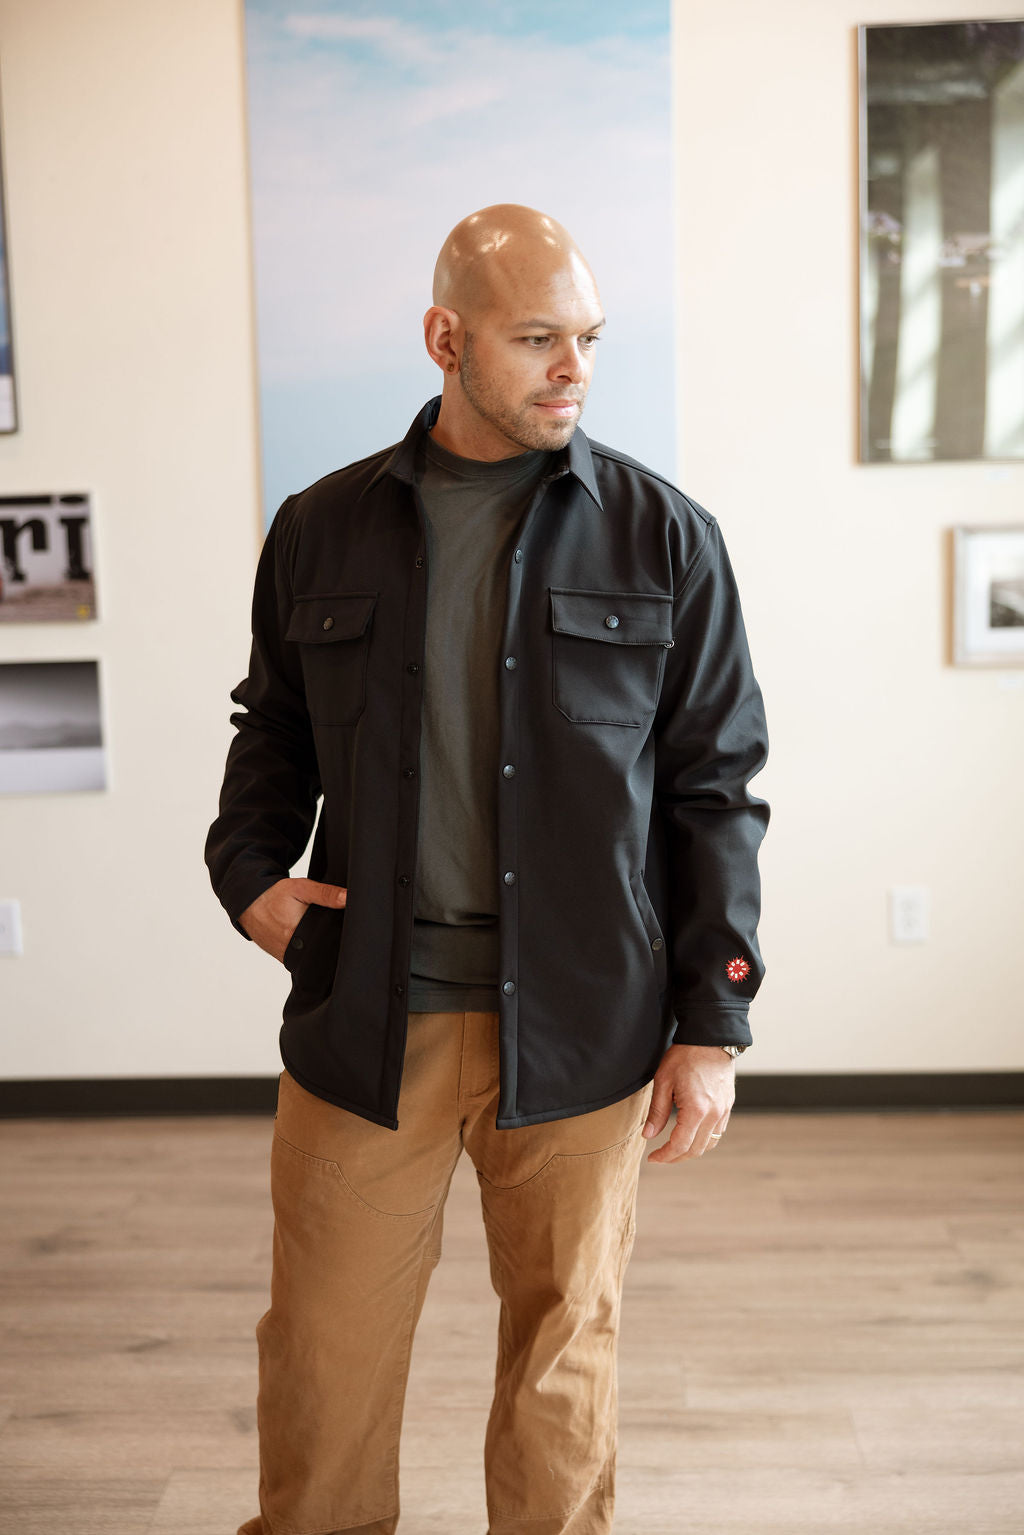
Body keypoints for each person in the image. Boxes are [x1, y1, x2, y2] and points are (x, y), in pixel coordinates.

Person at [206, 204, 769, 1535]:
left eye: (586, 339)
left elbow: (714, 790)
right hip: (365, 1021)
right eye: (535, 340)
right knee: (323, 1368)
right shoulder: (322, 527)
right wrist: (247, 876)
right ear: (445, 340)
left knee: (562, 1365)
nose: (572, 368)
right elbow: (271, 729)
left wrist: (715, 1022)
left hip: (582, 1029)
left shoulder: (664, 537)